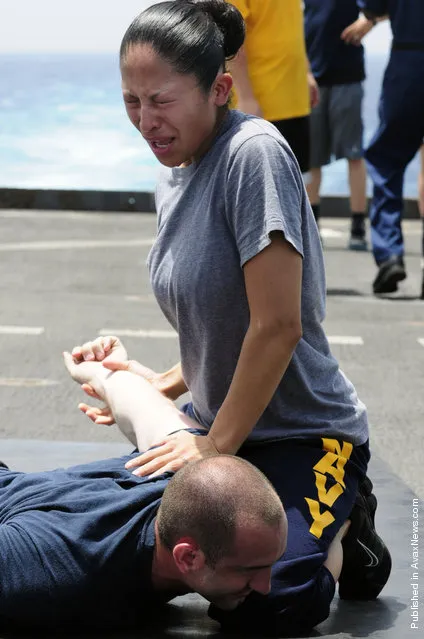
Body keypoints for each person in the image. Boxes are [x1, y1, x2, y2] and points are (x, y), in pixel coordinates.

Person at [75, 1, 391, 634]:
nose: (146, 121)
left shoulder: (255, 154)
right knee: (100, 541)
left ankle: (349, 519)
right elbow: (221, 323)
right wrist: (155, 385)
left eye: (160, 100)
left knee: (272, 598)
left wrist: (212, 447)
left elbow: (277, 325)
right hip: (218, 427)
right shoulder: (176, 173)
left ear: (219, 89)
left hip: (303, 435)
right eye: (131, 102)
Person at [0, 354, 288, 632]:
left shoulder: (184, 467)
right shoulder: (54, 568)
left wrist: (101, 370)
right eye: (249, 571)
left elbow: (146, 407)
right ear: (188, 557)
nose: (266, 585)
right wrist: (95, 370)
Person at [358, 0, 424, 295]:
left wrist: (371, 17)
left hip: (408, 62)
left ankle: (390, 255)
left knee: (386, 160)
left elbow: (373, 3)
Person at [304, 0, 376, 249]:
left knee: (354, 153)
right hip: (311, 74)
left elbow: (384, 5)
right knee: (312, 157)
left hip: (348, 74)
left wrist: (370, 20)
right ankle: (312, 225)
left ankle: (358, 226)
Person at [226, 0, 317, 174]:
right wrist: (246, 97)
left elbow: (287, 25)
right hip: (261, 104)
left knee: (298, 184)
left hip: (295, 100)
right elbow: (231, 39)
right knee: (260, 187)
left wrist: (307, 72)